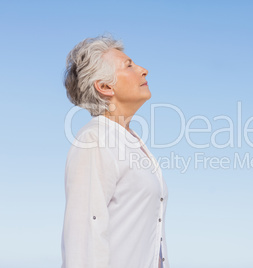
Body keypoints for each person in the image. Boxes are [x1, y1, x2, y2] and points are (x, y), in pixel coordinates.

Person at [61, 35, 169, 268]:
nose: (144, 70)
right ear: (105, 87)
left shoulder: (131, 140)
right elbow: (83, 236)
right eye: (129, 65)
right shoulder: (95, 140)